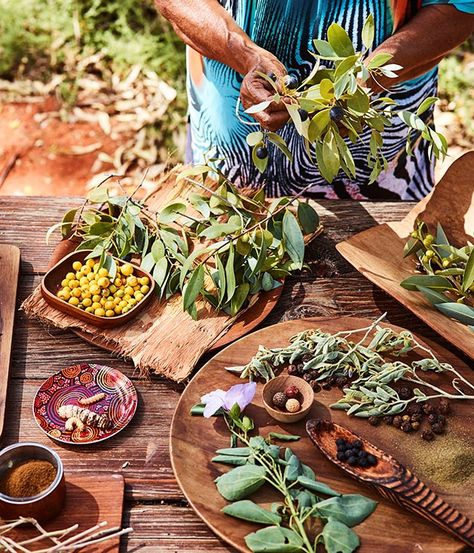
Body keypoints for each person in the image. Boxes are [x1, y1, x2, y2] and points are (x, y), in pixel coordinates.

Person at [155, 1, 474, 200]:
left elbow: (460, 7)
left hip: (376, 149)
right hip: (232, 143)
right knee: (228, 258)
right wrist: (244, 55)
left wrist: (366, 79)